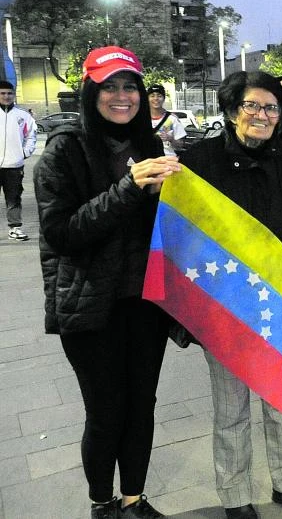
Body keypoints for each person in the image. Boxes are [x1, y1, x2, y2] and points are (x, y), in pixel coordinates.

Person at [34, 46, 181, 518]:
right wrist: (129, 188)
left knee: (142, 405)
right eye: (110, 86)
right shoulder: (65, 149)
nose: (122, 96)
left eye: (130, 86)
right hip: (88, 302)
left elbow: (157, 225)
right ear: (90, 92)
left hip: (145, 300)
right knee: (106, 411)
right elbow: (62, 233)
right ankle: (103, 504)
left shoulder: (150, 146)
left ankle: (135, 500)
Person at [179, 70, 282, 519]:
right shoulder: (200, 162)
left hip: (278, 302)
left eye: (270, 107)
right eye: (252, 106)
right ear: (230, 112)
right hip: (223, 304)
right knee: (231, 409)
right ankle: (235, 495)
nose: (262, 115)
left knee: (280, 398)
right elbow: (185, 237)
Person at [0, 79, 36, 241]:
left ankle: (15, 228)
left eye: (9, 93)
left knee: (13, 198)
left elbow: (31, 136)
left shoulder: (23, 116)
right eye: (2, 93)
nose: (6, 96)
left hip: (14, 165)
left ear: (14, 95)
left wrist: (25, 152)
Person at [146, 84, 186, 156]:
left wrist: (171, 139)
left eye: (159, 96)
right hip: (147, 161)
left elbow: (180, 145)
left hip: (168, 161)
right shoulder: (141, 119)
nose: (156, 98)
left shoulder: (172, 119)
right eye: (152, 96)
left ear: (164, 98)